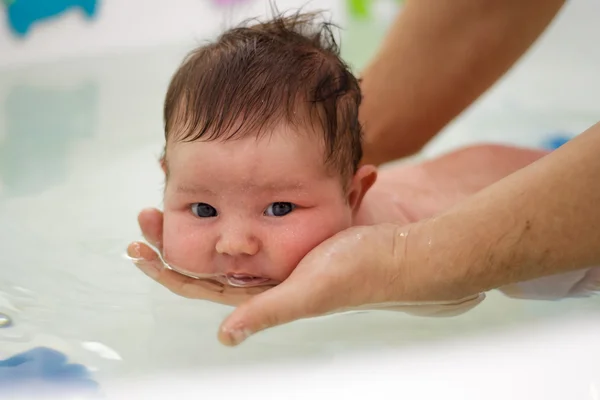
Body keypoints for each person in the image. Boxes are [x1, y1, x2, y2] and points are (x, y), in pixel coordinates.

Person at [128, 1, 600, 347]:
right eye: (203, 208)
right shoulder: (314, 192)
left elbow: (455, 300)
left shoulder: (379, 239)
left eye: (279, 208)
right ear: (166, 179)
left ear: (355, 194)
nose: (234, 243)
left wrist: (396, 283)